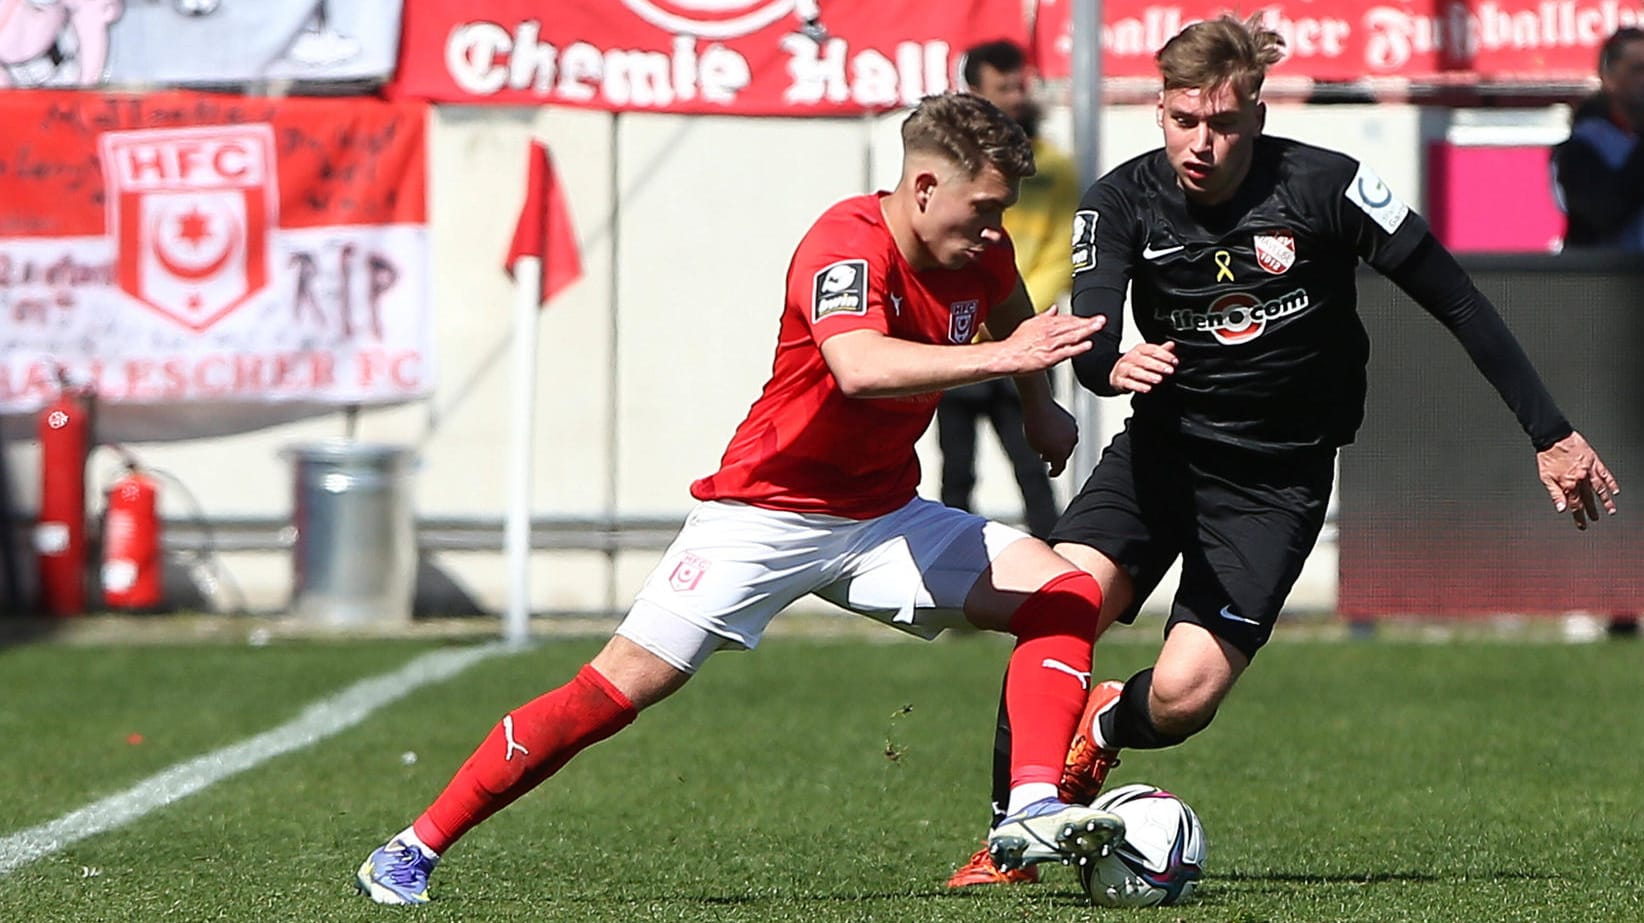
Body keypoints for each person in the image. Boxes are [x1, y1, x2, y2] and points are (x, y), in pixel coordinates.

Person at [355, 93, 1128, 906]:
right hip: (764, 516)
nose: (992, 229)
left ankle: (1032, 804)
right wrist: (1005, 359)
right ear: (926, 185)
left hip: (882, 518)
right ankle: (412, 846)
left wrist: (1036, 401)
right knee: (611, 693)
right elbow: (859, 366)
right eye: (982, 208)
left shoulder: (981, 249)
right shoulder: (845, 245)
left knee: (1065, 591)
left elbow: (1008, 306)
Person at [947, 14, 1622, 888]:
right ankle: (1012, 837)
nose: (1201, 142)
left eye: (1222, 123)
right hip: (1161, 455)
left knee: (1186, 698)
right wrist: (1111, 365)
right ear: (1159, 111)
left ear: (1256, 117)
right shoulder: (1119, 201)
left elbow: (1457, 299)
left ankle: (1105, 728)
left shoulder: (1328, 187)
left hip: (1276, 479)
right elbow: (1095, 319)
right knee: (1061, 601)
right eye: (1184, 120)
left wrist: (1552, 433)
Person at [935, 40, 1081, 539]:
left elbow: (1061, 253)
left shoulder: (1053, 167)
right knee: (956, 474)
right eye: (1003, 88)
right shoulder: (948, 171)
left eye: (1020, 86)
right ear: (973, 92)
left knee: (1033, 468)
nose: (1016, 98)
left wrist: (1014, 321)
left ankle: (1054, 573)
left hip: (1023, 340)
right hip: (956, 346)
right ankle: (950, 587)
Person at [1551, 27, 1644, 249]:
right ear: (1609, 78)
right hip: (1605, 277)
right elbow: (1603, 211)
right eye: (1638, 70)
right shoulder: (1582, 147)